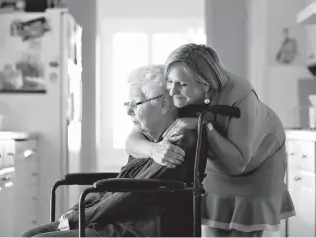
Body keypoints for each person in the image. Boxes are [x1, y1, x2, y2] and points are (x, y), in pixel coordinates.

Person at [125, 43, 296, 237]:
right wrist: (153, 149)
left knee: (243, 232)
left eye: (181, 85)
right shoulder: (173, 86)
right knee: (214, 230)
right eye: (169, 81)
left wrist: (202, 125)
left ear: (204, 85)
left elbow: (236, 165)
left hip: (259, 162)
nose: (172, 91)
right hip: (216, 166)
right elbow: (133, 138)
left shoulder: (241, 96)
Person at [22, 65, 197, 237]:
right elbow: (122, 178)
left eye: (135, 103)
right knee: (29, 235)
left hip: (132, 228)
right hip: (112, 219)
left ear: (164, 103)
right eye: (127, 104)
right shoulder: (147, 136)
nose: (129, 111)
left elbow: (130, 195)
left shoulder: (176, 142)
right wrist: (77, 211)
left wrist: (80, 217)